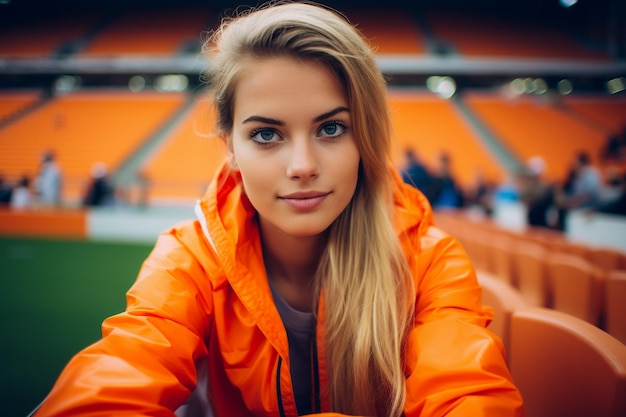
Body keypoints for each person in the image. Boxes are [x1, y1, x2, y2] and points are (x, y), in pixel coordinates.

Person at [32, 3, 523, 416]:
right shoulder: (189, 259)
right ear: (230, 147)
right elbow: (123, 369)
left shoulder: (431, 262)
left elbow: (469, 395)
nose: (303, 166)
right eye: (266, 134)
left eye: (331, 128)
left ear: (364, 138)